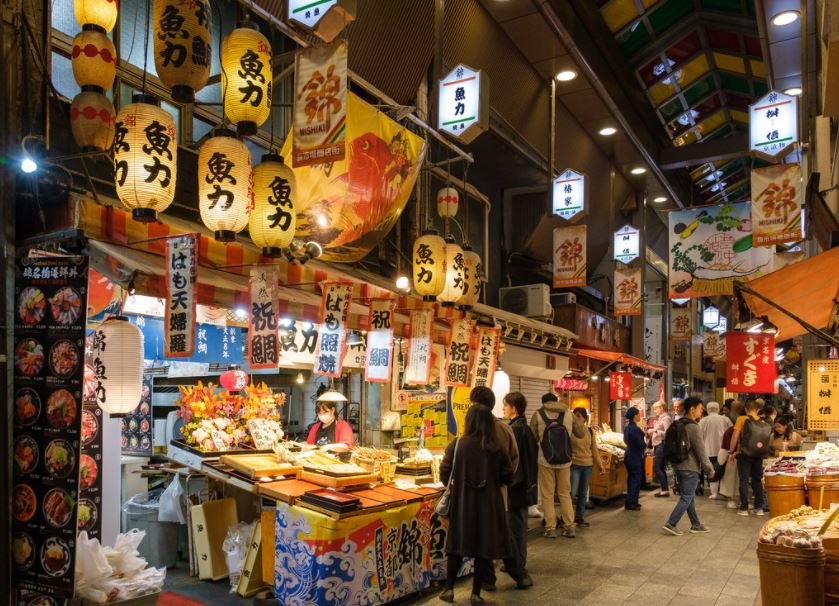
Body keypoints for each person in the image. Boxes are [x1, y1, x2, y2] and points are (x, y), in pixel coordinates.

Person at [439, 405, 513, 605]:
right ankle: (475, 593)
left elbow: (444, 473)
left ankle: (449, 589)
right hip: (489, 504)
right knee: (484, 549)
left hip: (463, 504)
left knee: (456, 547)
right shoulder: (496, 447)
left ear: (468, 421)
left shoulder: (457, 445)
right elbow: (508, 475)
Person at [530, 392, 585, 538]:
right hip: (565, 460)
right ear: (557, 401)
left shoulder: (538, 414)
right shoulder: (568, 413)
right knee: (564, 494)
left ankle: (550, 528)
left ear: (543, 403)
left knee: (547, 495)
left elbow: (532, 437)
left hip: (545, 460)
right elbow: (580, 434)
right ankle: (569, 527)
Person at [497, 392, 536, 589]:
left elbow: (515, 462)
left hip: (517, 487)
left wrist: (509, 483)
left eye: (505, 405)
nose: (503, 408)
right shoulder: (524, 428)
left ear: (514, 408)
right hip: (524, 486)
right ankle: (517, 562)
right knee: (517, 526)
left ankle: (518, 564)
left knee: (517, 528)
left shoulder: (516, 430)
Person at [662, 397, 714, 535]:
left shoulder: (679, 423)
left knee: (688, 496)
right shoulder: (693, 427)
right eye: (700, 408)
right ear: (692, 409)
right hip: (690, 468)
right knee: (686, 497)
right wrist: (710, 469)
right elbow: (701, 452)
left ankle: (695, 524)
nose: (701, 411)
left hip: (678, 465)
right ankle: (671, 523)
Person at [730, 399, 771, 516]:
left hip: (744, 454)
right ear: (758, 410)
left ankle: (744, 508)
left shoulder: (742, 419)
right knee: (757, 480)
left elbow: (735, 436)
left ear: (746, 409)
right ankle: (759, 508)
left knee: (743, 480)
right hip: (759, 454)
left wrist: (731, 451)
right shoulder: (763, 422)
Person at [570, 407, 605, 527]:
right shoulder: (570, 431)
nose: (576, 418)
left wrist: (600, 465)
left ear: (585, 418)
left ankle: (579, 517)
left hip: (587, 465)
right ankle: (567, 518)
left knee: (583, 493)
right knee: (571, 493)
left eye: (578, 416)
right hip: (574, 464)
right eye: (574, 416)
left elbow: (594, 449)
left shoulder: (590, 431)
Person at [698, 401, 732, 500]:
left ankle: (714, 493)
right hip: (724, 450)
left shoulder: (703, 420)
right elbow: (732, 433)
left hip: (708, 450)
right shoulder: (725, 419)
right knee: (725, 472)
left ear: (707, 409)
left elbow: (699, 436)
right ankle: (726, 494)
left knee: (712, 471)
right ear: (718, 409)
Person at [647, 401, 672, 498]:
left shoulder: (666, 418)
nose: (654, 411)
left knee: (656, 468)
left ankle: (665, 490)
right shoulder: (660, 419)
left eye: (656, 408)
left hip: (662, 445)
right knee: (660, 467)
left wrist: (655, 430)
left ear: (661, 408)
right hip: (658, 445)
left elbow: (668, 434)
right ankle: (664, 490)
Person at [623, 407, 646, 511]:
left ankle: (633, 501)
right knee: (635, 479)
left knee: (631, 478)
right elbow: (640, 444)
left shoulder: (627, 426)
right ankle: (631, 503)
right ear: (635, 416)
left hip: (629, 454)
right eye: (638, 414)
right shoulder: (634, 428)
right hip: (635, 456)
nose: (640, 416)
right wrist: (645, 445)